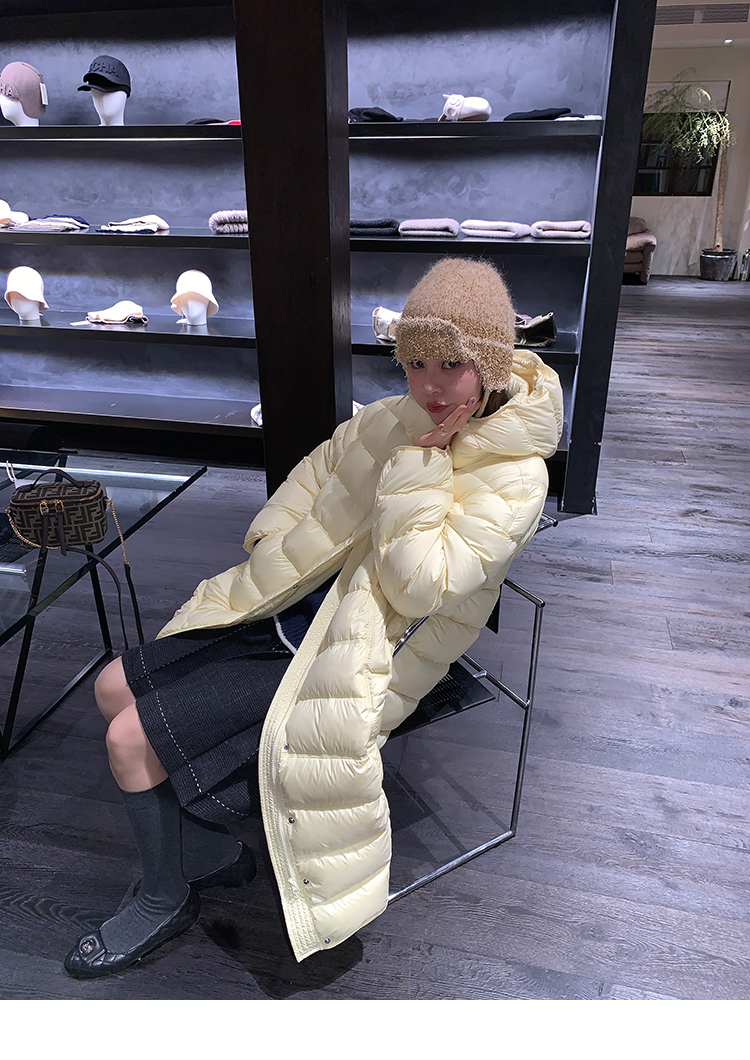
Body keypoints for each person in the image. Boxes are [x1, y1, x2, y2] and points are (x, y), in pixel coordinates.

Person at [64, 257, 563, 978]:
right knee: (111, 686)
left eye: (450, 364)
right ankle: (204, 850)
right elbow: (314, 474)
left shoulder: (515, 473)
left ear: (487, 362)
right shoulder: (391, 418)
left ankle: (164, 897)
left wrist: (422, 467)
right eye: (415, 363)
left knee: (128, 738)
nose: (429, 385)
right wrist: (271, 541)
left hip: (358, 648)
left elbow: (421, 586)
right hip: (284, 608)